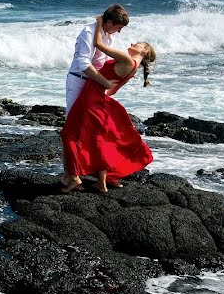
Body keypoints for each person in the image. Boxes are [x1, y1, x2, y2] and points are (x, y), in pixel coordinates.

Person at [60, 15, 156, 193]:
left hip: (90, 97)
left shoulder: (127, 60)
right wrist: (103, 88)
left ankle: (74, 177)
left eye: (139, 44)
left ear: (143, 52)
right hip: (96, 97)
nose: (135, 42)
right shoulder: (133, 67)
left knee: (70, 134)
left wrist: (98, 23)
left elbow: (98, 45)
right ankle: (102, 180)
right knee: (100, 139)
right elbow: (113, 89)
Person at [62, 4, 128, 188]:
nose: (119, 32)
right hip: (78, 81)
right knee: (72, 129)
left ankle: (100, 175)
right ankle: (68, 176)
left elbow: (104, 62)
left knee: (97, 129)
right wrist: (105, 83)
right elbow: (83, 63)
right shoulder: (88, 32)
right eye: (118, 27)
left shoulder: (107, 35)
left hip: (94, 85)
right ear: (108, 22)